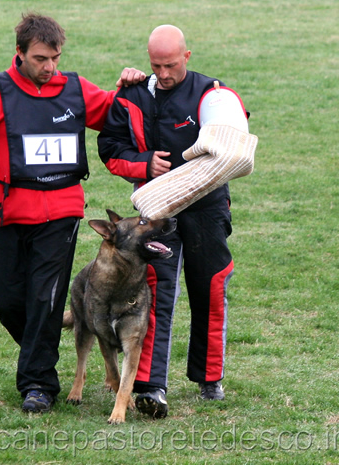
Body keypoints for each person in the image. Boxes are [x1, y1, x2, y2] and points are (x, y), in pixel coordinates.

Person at [0, 12, 145, 414]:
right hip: (9, 214)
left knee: (45, 298)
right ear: (19, 53)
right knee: (6, 299)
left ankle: (38, 383)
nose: (49, 66)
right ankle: (39, 347)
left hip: (61, 215)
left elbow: (115, 112)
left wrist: (127, 87)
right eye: (40, 58)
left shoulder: (73, 89)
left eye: (54, 58)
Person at [97, 24, 250, 418]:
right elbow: (110, 148)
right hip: (155, 213)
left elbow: (233, 135)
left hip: (207, 208)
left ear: (187, 57)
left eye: (170, 65)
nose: (163, 74)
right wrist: (143, 163)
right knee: (154, 293)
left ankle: (209, 379)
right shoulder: (131, 96)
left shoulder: (211, 93)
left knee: (210, 288)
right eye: (155, 66)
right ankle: (151, 385)